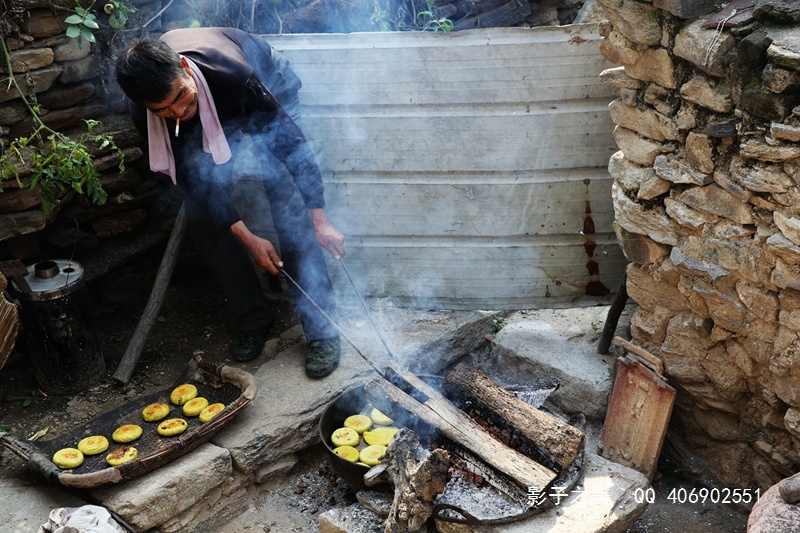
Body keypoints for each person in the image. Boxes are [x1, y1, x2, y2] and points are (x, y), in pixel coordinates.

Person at [114, 27, 345, 377]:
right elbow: (191, 179)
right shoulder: (149, 113)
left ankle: (321, 327)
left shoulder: (234, 76)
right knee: (203, 218)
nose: (179, 112)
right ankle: (252, 316)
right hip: (207, 96)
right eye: (164, 109)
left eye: (181, 97)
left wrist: (320, 218)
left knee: (287, 198)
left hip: (266, 81)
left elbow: (292, 148)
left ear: (183, 67)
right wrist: (246, 235)